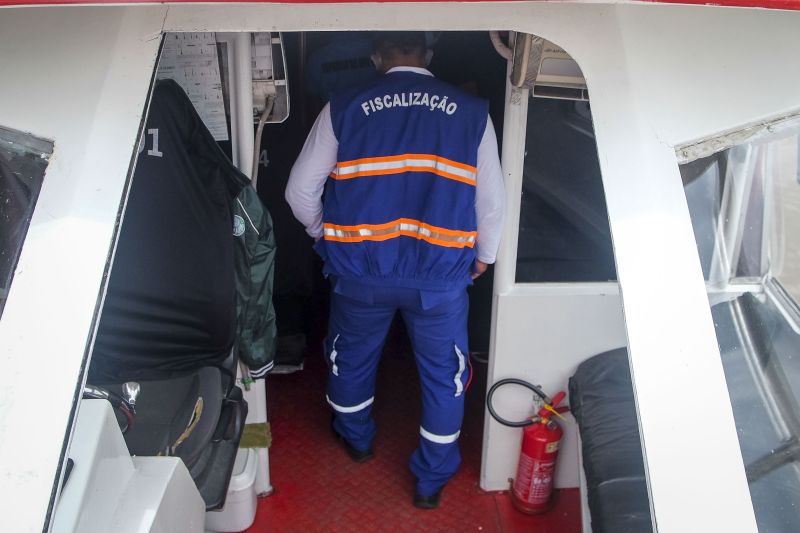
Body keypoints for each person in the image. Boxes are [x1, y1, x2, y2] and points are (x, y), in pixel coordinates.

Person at [285, 31, 505, 509]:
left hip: (359, 274)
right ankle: (431, 479)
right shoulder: (471, 114)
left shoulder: (342, 107)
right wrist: (484, 256)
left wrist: (324, 233)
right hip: (440, 279)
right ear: (428, 55)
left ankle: (356, 438)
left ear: (376, 56)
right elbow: (491, 203)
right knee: (444, 375)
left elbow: (299, 192)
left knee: (352, 360)